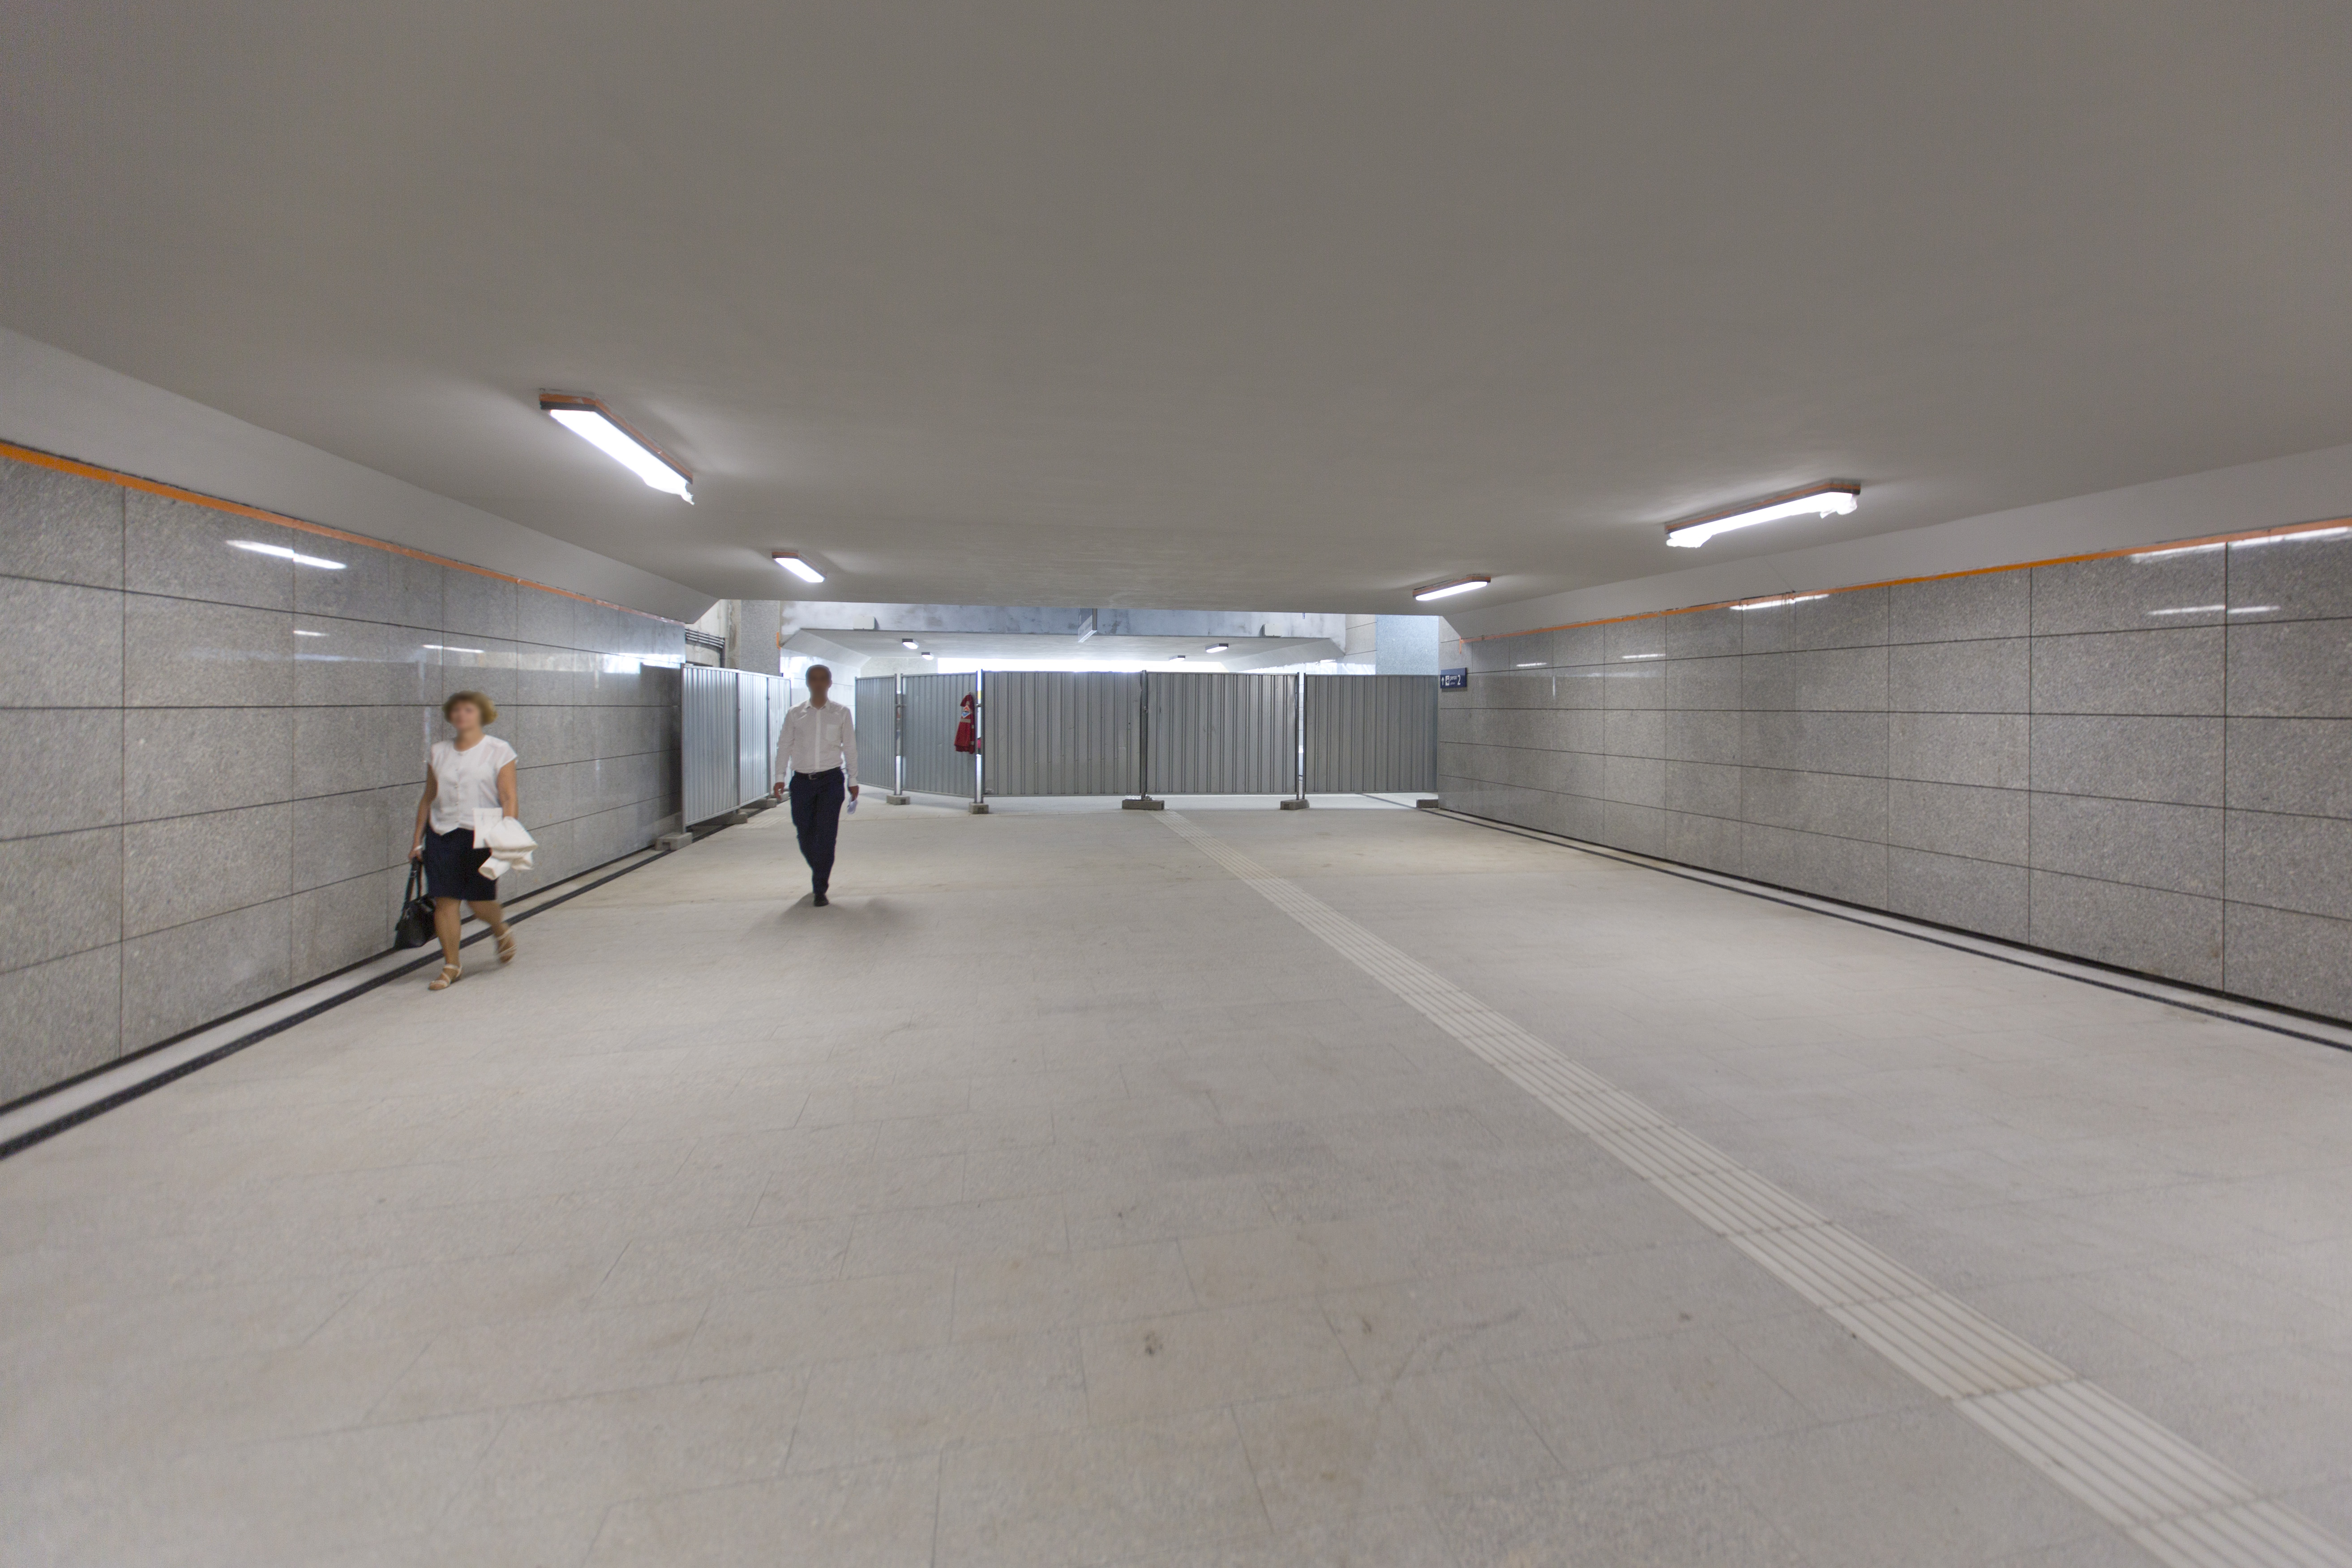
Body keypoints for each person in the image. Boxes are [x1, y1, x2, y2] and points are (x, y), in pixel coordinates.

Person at [409, 690, 519, 990]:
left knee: (479, 902)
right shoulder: (438, 752)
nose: (461, 715)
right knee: (445, 901)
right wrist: (417, 840)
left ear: (482, 714)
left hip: (482, 835)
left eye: (468, 710)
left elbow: (508, 797)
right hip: (442, 833)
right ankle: (451, 965)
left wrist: (507, 836)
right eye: (457, 710)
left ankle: (499, 928)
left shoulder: (499, 750)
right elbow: (428, 798)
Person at [773, 664, 857, 905]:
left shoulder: (841, 713)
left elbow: (850, 747)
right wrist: (779, 776)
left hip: (831, 781)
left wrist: (853, 780)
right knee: (805, 833)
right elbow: (784, 745)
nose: (818, 684)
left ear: (829, 683)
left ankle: (820, 888)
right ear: (808, 683)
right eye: (814, 679)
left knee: (827, 836)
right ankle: (819, 868)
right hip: (802, 782)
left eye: (823, 679)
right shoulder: (795, 714)